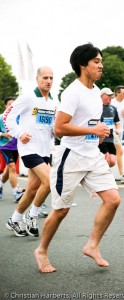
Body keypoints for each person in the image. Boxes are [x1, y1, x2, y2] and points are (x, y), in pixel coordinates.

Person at [34, 43, 120, 273]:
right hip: (70, 157)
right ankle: (41, 250)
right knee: (61, 210)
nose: (101, 65)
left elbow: (87, 123)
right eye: (96, 62)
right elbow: (59, 128)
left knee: (113, 199)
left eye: (101, 61)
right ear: (84, 65)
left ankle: (92, 245)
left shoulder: (95, 91)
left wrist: (97, 134)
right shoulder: (72, 92)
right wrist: (92, 131)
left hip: (92, 155)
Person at [4, 66, 59, 237]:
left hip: (45, 150)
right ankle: (32, 215)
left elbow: (51, 125)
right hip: (29, 149)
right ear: (37, 79)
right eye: (45, 78)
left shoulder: (53, 102)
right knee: (50, 180)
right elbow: (7, 116)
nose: (48, 81)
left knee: (33, 189)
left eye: (51, 78)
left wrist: (55, 131)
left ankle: (14, 220)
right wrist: (20, 133)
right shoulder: (28, 97)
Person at [0, 97, 24, 202]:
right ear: (5, 106)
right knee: (12, 167)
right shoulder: (1, 117)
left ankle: (0, 184)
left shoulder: (19, 117)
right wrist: (3, 134)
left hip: (16, 147)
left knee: (9, 169)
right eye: (9, 104)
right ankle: (16, 192)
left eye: (13, 105)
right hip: (5, 146)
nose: (11, 106)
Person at [111, 85, 124, 183]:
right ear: (117, 93)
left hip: (121, 130)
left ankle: (110, 174)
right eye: (123, 93)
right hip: (112, 130)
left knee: (115, 152)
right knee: (120, 150)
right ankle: (122, 175)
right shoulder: (111, 102)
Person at [99, 87, 120, 167]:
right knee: (106, 159)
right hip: (101, 139)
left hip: (110, 138)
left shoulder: (113, 108)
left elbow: (117, 122)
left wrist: (117, 129)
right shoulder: (97, 108)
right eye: (108, 95)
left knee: (112, 161)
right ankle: (104, 177)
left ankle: (105, 174)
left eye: (111, 95)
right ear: (102, 96)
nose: (110, 97)